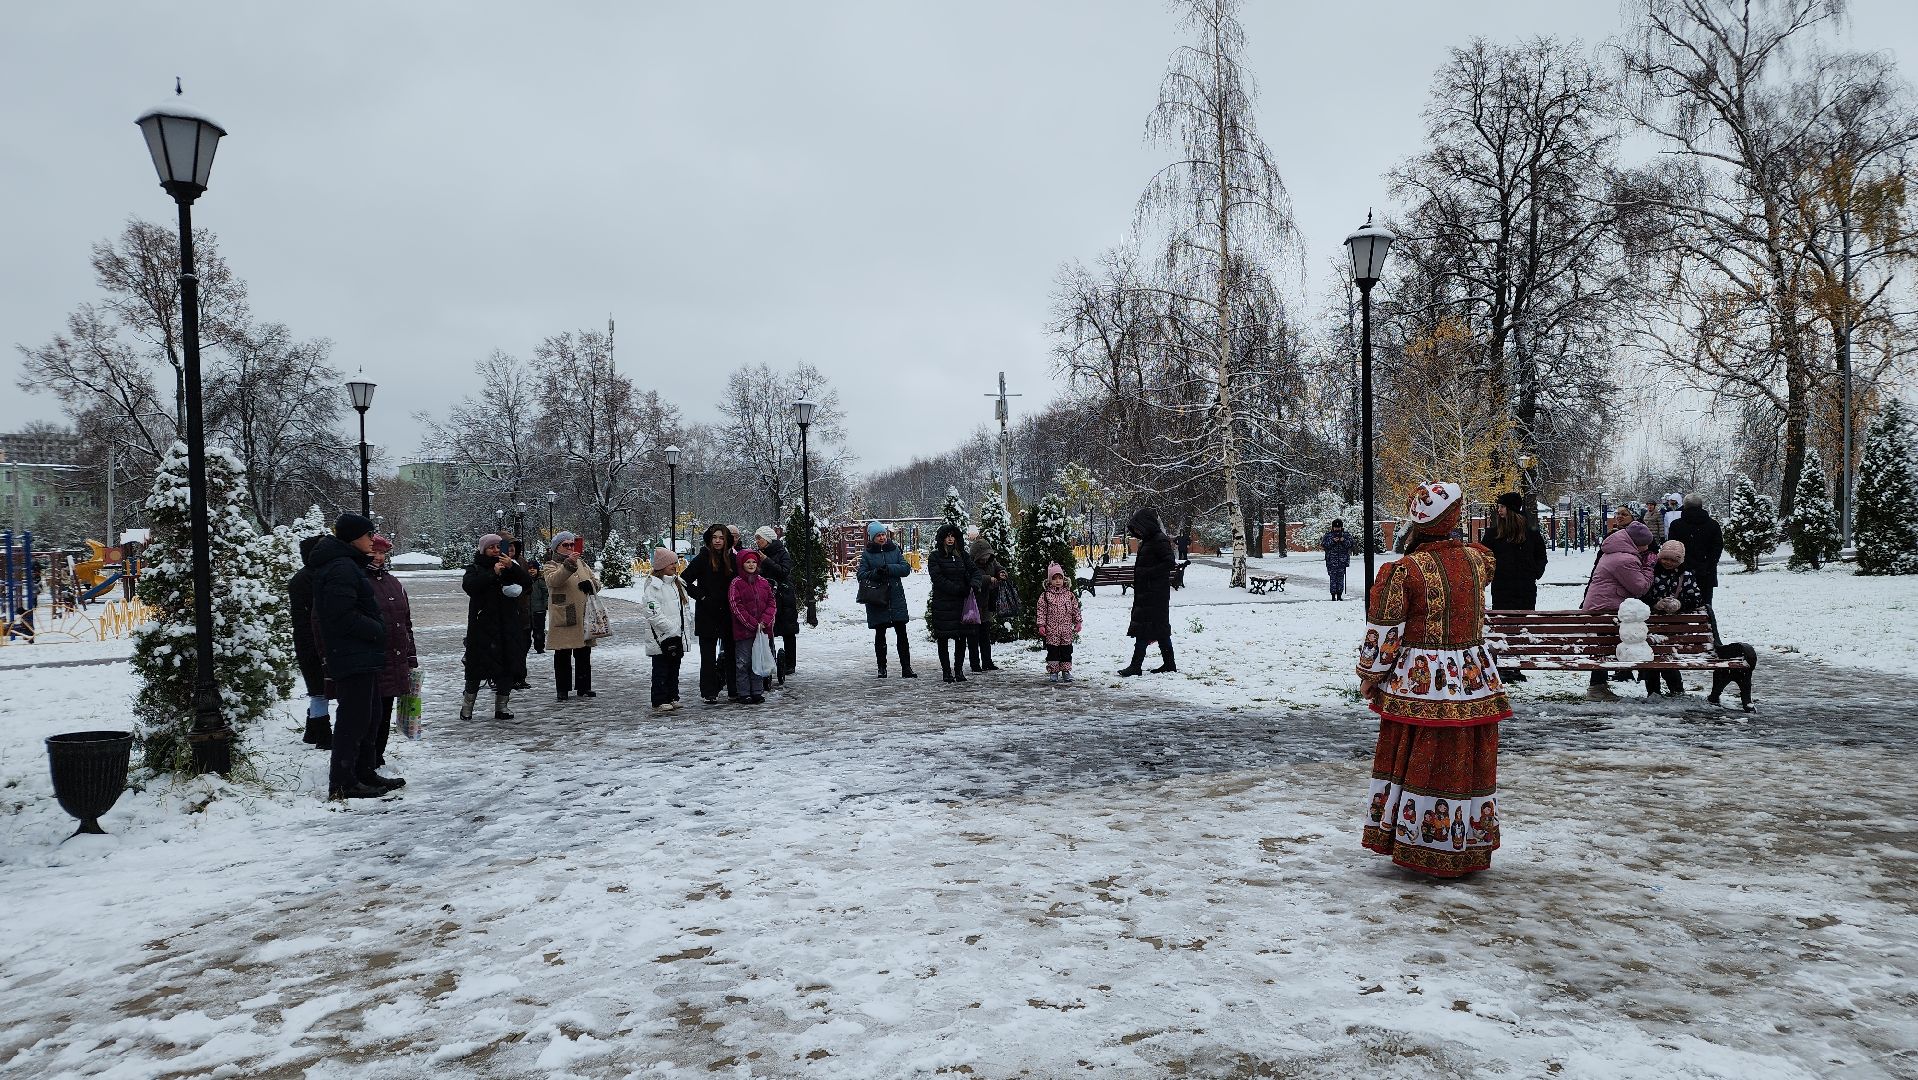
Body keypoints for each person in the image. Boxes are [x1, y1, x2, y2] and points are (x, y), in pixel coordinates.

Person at [1356, 482, 1510, 877]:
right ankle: (1463, 843)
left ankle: (1416, 841)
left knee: (1418, 753)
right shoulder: (1479, 561)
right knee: (1466, 756)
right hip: (1473, 677)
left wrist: (1371, 674)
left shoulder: (1405, 571)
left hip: (1419, 680)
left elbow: (1385, 629)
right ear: (1455, 517)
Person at [305, 513, 397, 800]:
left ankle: (363, 771)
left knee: (370, 714)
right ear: (353, 537)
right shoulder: (340, 567)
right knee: (354, 718)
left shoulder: (347, 564)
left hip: (360, 652)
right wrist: (376, 629)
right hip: (350, 652)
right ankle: (344, 781)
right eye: (369, 535)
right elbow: (339, 616)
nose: (373, 540)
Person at [460, 532, 533, 720]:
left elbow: (527, 583)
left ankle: (502, 706)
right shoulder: (475, 567)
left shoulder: (510, 565)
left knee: (506, 665)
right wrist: (493, 573)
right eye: (491, 547)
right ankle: (467, 707)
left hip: (506, 624)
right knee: (476, 668)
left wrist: (512, 568)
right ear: (483, 549)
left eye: (497, 547)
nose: (494, 550)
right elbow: (470, 586)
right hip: (482, 625)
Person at [1581, 520, 1657, 700]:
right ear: (1637, 543)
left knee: (1604, 647)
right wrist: (1648, 567)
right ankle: (1597, 688)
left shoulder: (1616, 551)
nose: (1647, 549)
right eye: (1645, 545)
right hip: (1606, 608)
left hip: (1602, 606)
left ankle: (1598, 687)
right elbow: (1640, 587)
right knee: (1605, 647)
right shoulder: (1625, 559)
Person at [365, 535, 416, 784]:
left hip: (393, 658)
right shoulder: (358, 581)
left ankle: (377, 756)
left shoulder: (393, 583)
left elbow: (405, 624)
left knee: (385, 710)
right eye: (373, 552)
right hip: (371, 659)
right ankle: (366, 760)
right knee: (369, 713)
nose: (377, 557)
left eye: (382, 553)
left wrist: (410, 656)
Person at [682, 524, 741, 704]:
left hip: (729, 613)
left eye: (721, 538)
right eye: (715, 537)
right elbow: (684, 580)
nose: (717, 541)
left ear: (727, 540)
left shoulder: (732, 559)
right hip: (707, 613)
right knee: (707, 656)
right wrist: (702, 596)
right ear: (709, 539)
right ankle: (709, 691)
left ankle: (734, 689)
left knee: (731, 654)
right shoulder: (703, 557)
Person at [1639, 539, 1706, 696]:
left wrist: (1680, 604)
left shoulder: (1686, 575)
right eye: (1665, 558)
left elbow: (1696, 599)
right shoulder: (1651, 573)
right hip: (1651, 624)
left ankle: (1676, 690)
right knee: (1651, 659)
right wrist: (1654, 603)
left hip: (1673, 626)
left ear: (1680, 560)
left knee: (1668, 659)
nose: (1668, 562)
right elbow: (1640, 595)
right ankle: (1653, 692)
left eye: (1673, 560)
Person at [1118, 508, 1177, 676]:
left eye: (1138, 527)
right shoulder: (1148, 540)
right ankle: (1169, 663)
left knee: (1146, 629)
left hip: (1155, 594)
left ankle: (1136, 666)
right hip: (1148, 593)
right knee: (1160, 629)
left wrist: (1148, 574)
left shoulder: (1159, 540)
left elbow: (1169, 563)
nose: (1136, 531)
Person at [544, 532, 602, 701]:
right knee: (562, 654)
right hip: (564, 613)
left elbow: (596, 582)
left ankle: (584, 687)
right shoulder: (551, 564)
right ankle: (562, 689)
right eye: (566, 545)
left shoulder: (582, 563)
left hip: (584, 614)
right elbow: (553, 581)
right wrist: (568, 564)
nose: (570, 547)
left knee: (584, 653)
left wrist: (590, 585)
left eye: (571, 544)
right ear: (557, 548)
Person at [288, 534, 332, 750]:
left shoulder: (300, 578)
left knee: (317, 690)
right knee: (320, 691)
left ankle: (314, 732)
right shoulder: (316, 578)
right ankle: (323, 735)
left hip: (305, 640)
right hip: (315, 640)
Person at [857, 521, 917, 678]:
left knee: (902, 634)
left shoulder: (894, 549)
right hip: (878, 599)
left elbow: (905, 569)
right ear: (872, 538)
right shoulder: (867, 554)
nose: (882, 537)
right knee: (880, 634)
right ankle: (882, 668)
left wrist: (890, 568)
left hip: (896, 597)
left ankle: (906, 668)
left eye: (883, 534)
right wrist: (876, 573)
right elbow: (861, 575)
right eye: (878, 535)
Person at [927, 523, 984, 682]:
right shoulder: (935, 556)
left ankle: (958, 670)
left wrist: (973, 585)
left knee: (961, 637)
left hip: (962, 604)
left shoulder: (962, 555)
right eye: (947, 536)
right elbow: (938, 579)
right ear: (942, 539)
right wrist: (957, 589)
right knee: (943, 638)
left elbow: (975, 572)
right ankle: (946, 671)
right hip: (944, 604)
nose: (950, 539)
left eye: (953, 536)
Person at [641, 545, 690, 713]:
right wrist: (670, 628)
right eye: (672, 563)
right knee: (661, 670)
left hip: (676, 635)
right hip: (661, 637)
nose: (675, 566)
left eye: (676, 563)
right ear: (662, 566)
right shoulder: (654, 587)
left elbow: (684, 609)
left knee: (674, 668)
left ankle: (672, 696)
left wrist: (683, 627)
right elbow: (652, 612)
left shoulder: (677, 584)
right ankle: (659, 698)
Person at [729, 548, 777, 705]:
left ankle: (757, 691)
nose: (751, 565)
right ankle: (744, 692)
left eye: (754, 562)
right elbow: (736, 605)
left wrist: (765, 621)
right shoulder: (736, 583)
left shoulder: (763, 582)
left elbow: (771, 603)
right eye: (747, 562)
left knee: (758, 660)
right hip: (744, 631)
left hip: (761, 630)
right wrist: (751, 623)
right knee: (743, 662)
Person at [753, 525, 799, 684]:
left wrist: (767, 561)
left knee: (787, 629)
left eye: (759, 538)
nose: (757, 541)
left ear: (767, 539)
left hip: (783, 595)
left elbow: (784, 571)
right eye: (756, 538)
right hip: (765, 595)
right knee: (767, 629)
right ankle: (768, 658)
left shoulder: (781, 553)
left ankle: (790, 663)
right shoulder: (758, 554)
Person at [1666, 493, 1724, 606]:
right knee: (1705, 605)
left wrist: (1684, 564)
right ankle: (1707, 623)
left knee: (1681, 606)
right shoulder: (1713, 525)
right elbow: (1717, 548)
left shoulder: (1676, 525)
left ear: (1684, 506)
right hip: (1706, 571)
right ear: (1701, 506)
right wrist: (1709, 564)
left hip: (1682, 572)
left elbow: (1673, 548)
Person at [966, 536, 1009, 673]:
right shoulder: (970, 564)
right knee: (973, 635)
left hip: (986, 602)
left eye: (987, 556)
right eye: (982, 557)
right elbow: (971, 577)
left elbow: (999, 567)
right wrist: (988, 579)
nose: (985, 559)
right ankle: (975, 663)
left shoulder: (992, 562)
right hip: (973, 604)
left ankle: (987, 661)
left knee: (985, 634)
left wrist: (1001, 573)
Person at [1036, 561, 1083, 684]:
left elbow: (1075, 609)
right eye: (1054, 578)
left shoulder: (1069, 595)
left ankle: (1066, 671)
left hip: (1066, 630)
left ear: (1064, 579)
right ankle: (1053, 671)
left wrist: (1078, 622)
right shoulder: (1046, 595)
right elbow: (1041, 610)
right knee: (1053, 651)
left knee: (1067, 651)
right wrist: (1041, 625)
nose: (1058, 581)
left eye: (1060, 578)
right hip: (1052, 630)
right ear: (1050, 580)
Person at [502, 538, 534, 691]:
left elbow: (528, 583)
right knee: (507, 648)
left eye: (513, 546)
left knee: (523, 645)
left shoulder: (521, 561)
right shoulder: (496, 563)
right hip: (504, 613)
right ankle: (505, 678)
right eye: (507, 546)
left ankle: (520, 676)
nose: (511, 549)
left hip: (522, 611)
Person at [1320, 519, 1356, 601]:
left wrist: (1343, 540)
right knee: (1333, 578)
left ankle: (1339, 595)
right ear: (1332, 527)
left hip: (1342, 561)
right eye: (1335, 527)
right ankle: (1333, 596)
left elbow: (1350, 545)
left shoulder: (1346, 535)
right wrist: (1333, 541)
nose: (1337, 529)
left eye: (1338, 527)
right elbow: (1324, 545)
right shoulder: (1328, 535)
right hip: (1331, 561)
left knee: (1340, 578)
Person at [528, 543, 551, 654]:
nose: (531, 570)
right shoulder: (526, 581)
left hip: (539, 610)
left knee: (539, 630)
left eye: (534, 568)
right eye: (530, 568)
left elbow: (546, 593)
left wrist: (546, 604)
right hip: (527, 610)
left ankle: (539, 647)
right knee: (527, 630)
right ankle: (525, 646)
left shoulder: (540, 581)